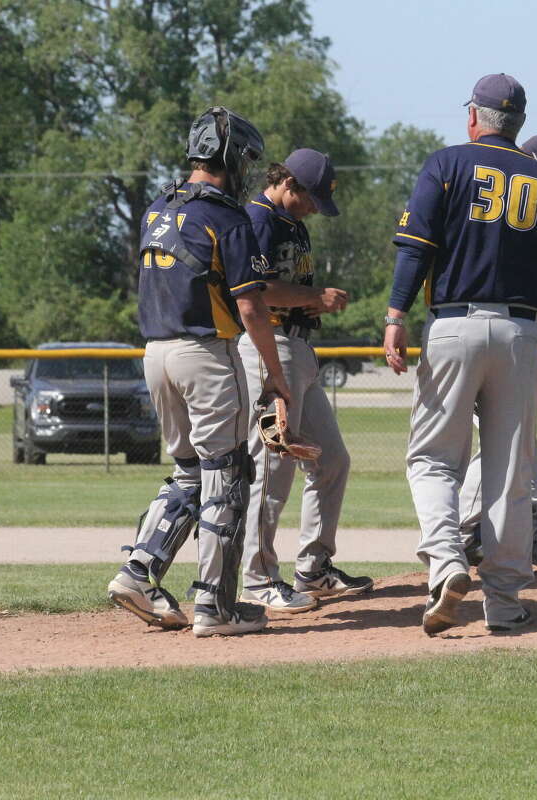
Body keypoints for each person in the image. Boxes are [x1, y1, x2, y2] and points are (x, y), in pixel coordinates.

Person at [384, 74, 537, 635]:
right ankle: (503, 601)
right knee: (510, 472)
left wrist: (395, 316)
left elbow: (415, 249)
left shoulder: (445, 164)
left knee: (432, 459)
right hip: (523, 333)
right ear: (518, 122)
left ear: (474, 115)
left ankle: (447, 560)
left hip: (454, 325)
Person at [107, 106, 292, 637]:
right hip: (205, 354)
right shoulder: (226, 216)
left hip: (155, 355)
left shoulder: (157, 208)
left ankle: (138, 572)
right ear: (228, 155)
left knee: (189, 471)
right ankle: (217, 606)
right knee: (228, 473)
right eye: (245, 158)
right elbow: (252, 307)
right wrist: (275, 376)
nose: (247, 169)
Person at [237, 148, 373, 615]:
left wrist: (312, 304)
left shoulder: (291, 223)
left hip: (300, 348)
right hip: (268, 346)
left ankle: (313, 569)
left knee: (331, 460)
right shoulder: (258, 219)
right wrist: (314, 295)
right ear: (288, 183)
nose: (315, 207)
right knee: (272, 467)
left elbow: (285, 289)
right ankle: (257, 578)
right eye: (311, 198)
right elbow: (253, 291)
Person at [456, 134, 537, 576]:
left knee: (516, 439)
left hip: (513, 336)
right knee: (504, 441)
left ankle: (525, 524)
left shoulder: (536, 208)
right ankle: (472, 531)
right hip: (470, 331)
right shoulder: (492, 205)